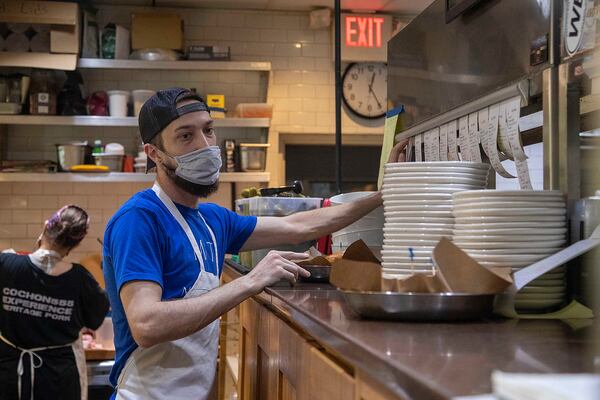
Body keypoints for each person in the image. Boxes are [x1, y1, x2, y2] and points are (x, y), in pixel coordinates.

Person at [103, 87, 408, 399]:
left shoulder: (211, 220)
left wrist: (380, 196)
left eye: (208, 131)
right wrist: (251, 281)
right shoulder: (140, 219)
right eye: (185, 136)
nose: (206, 145)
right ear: (154, 153)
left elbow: (296, 224)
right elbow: (147, 324)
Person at [0, 205, 110, 400]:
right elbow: (94, 320)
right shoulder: (81, 279)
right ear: (76, 243)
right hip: (58, 380)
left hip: (9, 375)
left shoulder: (6, 264)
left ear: (45, 227)